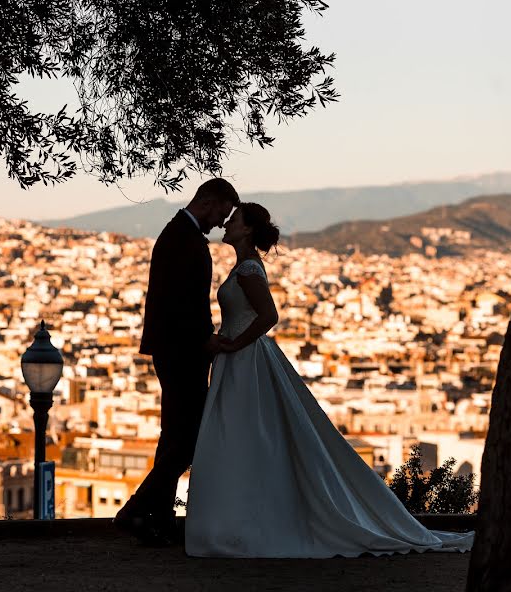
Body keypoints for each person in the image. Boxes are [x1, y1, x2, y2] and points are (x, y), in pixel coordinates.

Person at [185, 202, 474, 558]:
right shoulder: (245, 266)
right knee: (248, 434)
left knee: (241, 433)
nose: (226, 224)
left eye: (234, 220)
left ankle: (241, 520)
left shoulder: (246, 268)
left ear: (246, 230)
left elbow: (268, 315)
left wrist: (232, 343)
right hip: (242, 359)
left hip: (243, 360)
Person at [113, 177, 239, 545]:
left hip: (175, 348)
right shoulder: (180, 238)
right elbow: (184, 303)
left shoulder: (177, 234)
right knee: (186, 440)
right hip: (183, 351)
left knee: (174, 436)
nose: (221, 223)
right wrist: (205, 340)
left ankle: (158, 516)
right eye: (221, 213)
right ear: (208, 202)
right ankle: (136, 509)